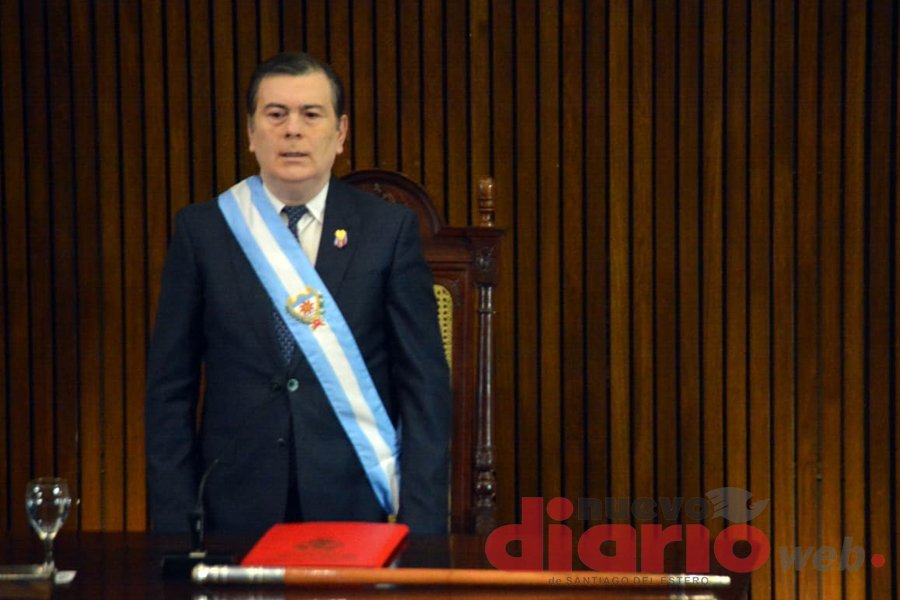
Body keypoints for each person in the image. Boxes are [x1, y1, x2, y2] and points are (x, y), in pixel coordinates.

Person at [145, 51, 451, 536]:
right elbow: (169, 389)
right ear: (251, 133)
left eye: (311, 114)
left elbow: (424, 387)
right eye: (276, 114)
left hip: (352, 501)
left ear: (341, 133)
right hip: (232, 504)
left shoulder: (387, 230)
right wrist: (174, 526)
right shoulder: (203, 231)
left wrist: (424, 528)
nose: (293, 130)